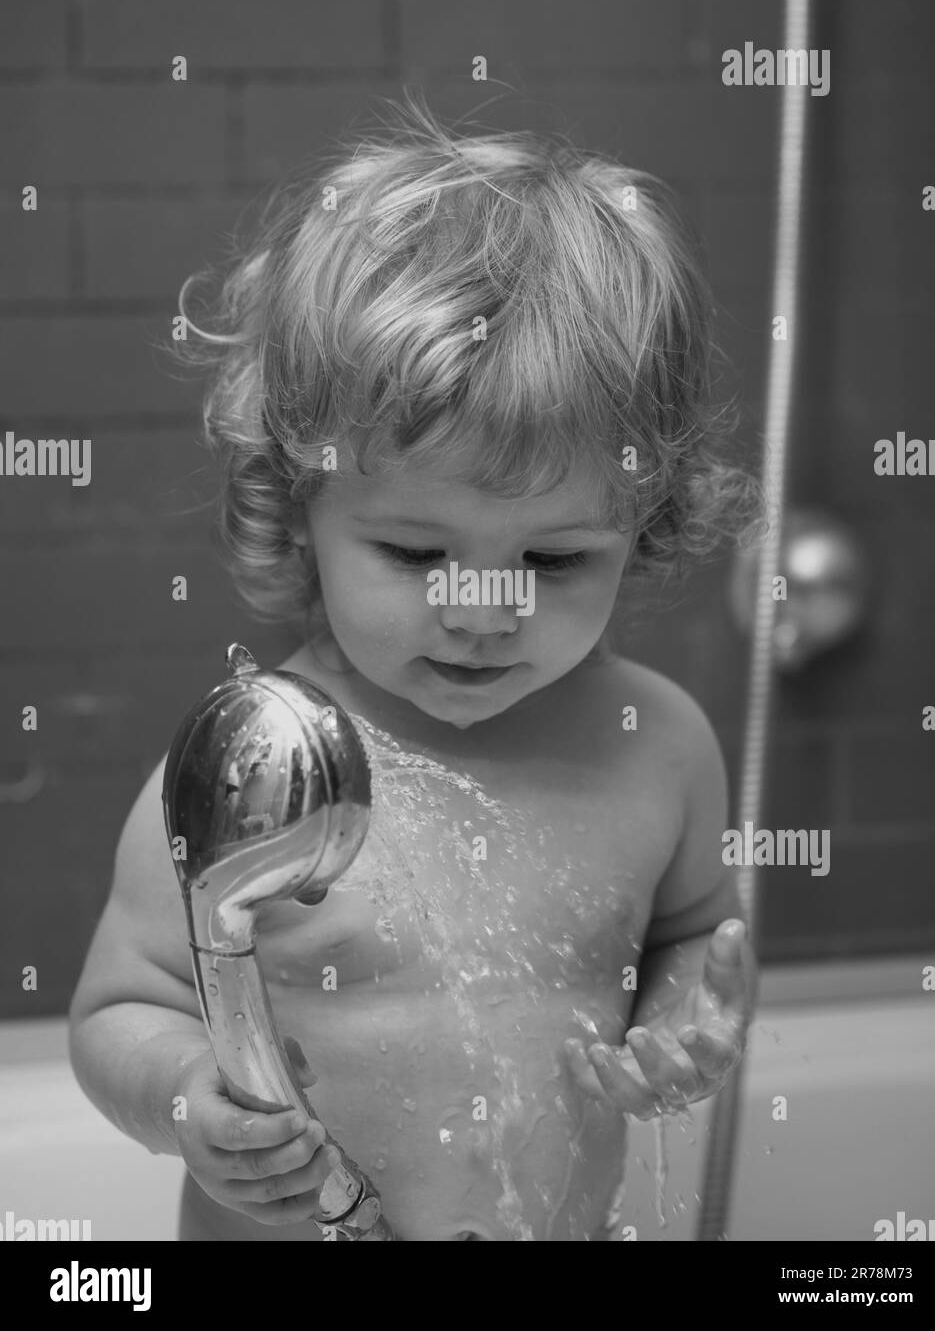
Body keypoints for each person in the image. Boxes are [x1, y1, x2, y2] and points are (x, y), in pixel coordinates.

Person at [69, 94, 759, 1241]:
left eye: (552, 557)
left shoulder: (661, 746)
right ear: (298, 508)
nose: (482, 608)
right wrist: (187, 1098)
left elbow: (695, 934)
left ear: (651, 520)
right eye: (411, 550)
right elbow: (118, 1010)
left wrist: (681, 1027)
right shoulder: (254, 769)